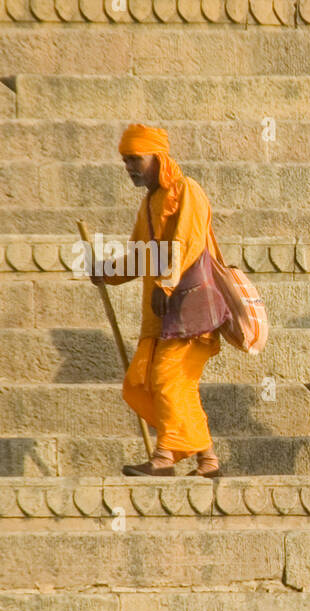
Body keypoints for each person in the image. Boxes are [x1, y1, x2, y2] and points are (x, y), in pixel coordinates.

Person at [93, 123, 227, 477]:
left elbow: (187, 241)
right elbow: (139, 257)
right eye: (125, 161)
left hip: (188, 310)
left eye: (135, 159)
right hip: (159, 316)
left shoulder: (188, 191)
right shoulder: (149, 203)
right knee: (151, 383)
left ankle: (164, 458)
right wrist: (104, 271)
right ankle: (208, 461)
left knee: (169, 380)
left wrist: (165, 285)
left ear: (157, 157)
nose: (130, 168)